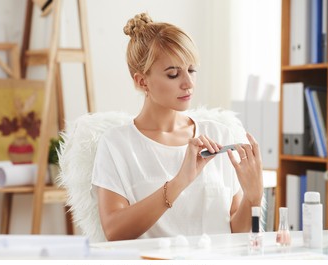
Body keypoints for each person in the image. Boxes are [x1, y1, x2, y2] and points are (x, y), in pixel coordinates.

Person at [91, 12, 263, 241]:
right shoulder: (116, 145)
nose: (189, 83)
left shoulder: (221, 134)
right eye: (173, 74)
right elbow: (114, 231)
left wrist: (254, 197)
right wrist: (180, 181)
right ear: (142, 81)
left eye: (191, 70)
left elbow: (238, 234)